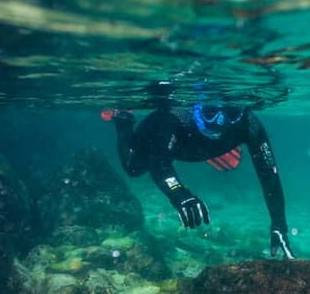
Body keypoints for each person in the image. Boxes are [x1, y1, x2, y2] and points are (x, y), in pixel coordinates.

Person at [103, 83, 295, 259]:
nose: (220, 122)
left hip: (201, 148)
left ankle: (212, 148)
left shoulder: (248, 122)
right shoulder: (172, 118)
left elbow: (269, 174)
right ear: (196, 108)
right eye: (210, 112)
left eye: (231, 112)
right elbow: (159, 165)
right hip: (161, 142)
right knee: (134, 168)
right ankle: (123, 118)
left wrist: (279, 225)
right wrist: (180, 194)